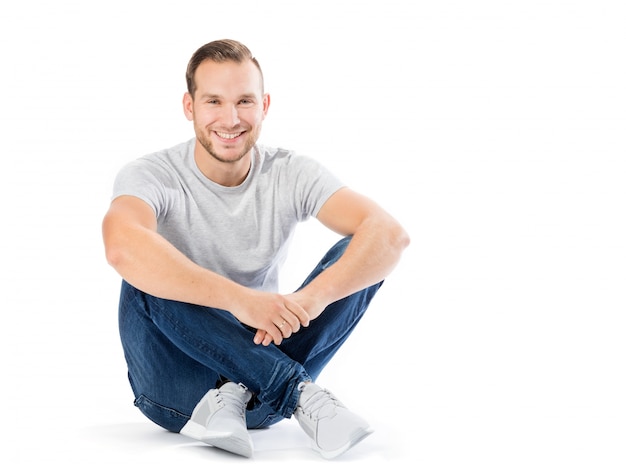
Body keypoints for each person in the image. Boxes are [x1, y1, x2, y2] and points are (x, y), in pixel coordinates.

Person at [102, 39, 409, 459]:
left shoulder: (289, 171)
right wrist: (240, 301)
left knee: (361, 251)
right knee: (142, 267)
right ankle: (299, 393)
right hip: (177, 392)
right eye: (214, 101)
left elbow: (389, 235)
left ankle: (248, 387)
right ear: (189, 107)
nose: (230, 119)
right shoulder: (152, 174)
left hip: (257, 399)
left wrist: (309, 301)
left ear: (264, 105)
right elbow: (121, 246)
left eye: (244, 101)